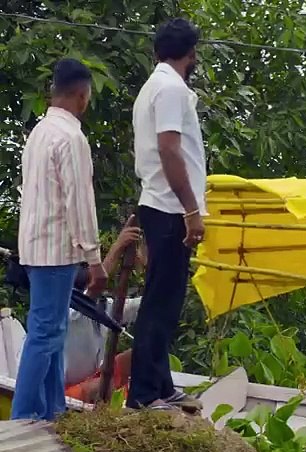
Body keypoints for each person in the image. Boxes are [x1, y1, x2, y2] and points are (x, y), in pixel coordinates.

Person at [12, 59, 107, 421]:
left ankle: (53, 412)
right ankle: (21, 418)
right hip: (56, 252)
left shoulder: (39, 133)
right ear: (82, 96)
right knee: (45, 334)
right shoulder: (71, 138)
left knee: (53, 332)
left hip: (34, 248)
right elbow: (79, 204)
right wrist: (95, 260)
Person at [128, 18, 206, 412]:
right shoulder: (172, 89)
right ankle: (143, 393)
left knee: (166, 299)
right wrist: (192, 210)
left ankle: (159, 384)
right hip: (170, 205)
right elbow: (170, 150)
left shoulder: (152, 88)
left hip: (158, 202)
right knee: (162, 301)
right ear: (190, 53)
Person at [65, 223, 147, 403]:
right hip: (64, 391)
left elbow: (148, 304)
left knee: (138, 353)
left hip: (93, 378)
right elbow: (95, 284)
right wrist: (118, 248)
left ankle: (143, 401)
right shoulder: (67, 310)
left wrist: (149, 266)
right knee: (102, 385)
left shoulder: (106, 307)